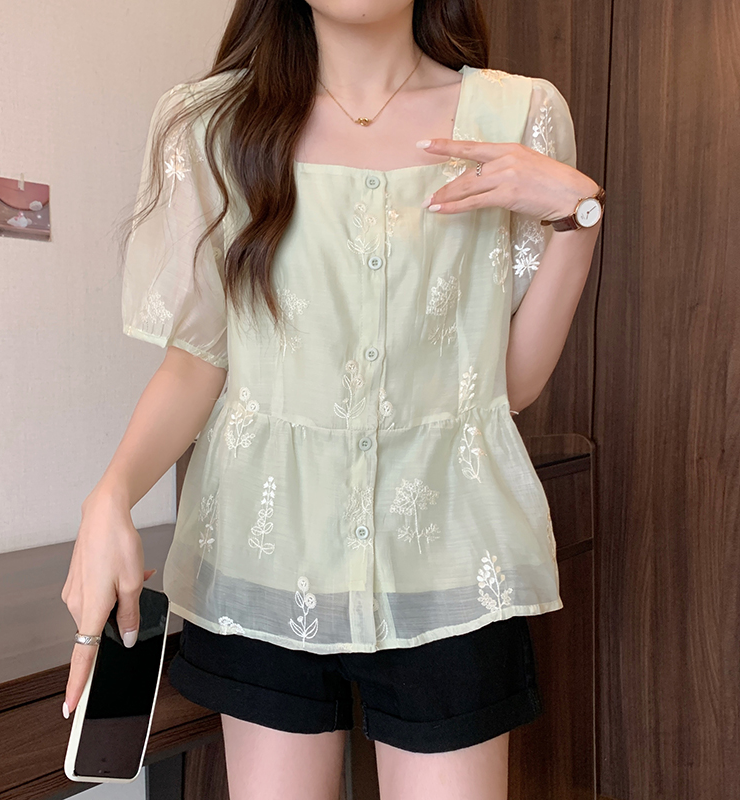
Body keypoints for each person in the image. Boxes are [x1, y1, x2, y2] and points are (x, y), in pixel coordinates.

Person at [61, 1, 604, 797]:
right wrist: (111, 494)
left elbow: (505, 386)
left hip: (450, 564)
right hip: (262, 561)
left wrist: (578, 219)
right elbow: (199, 361)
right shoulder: (212, 124)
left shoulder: (520, 116)